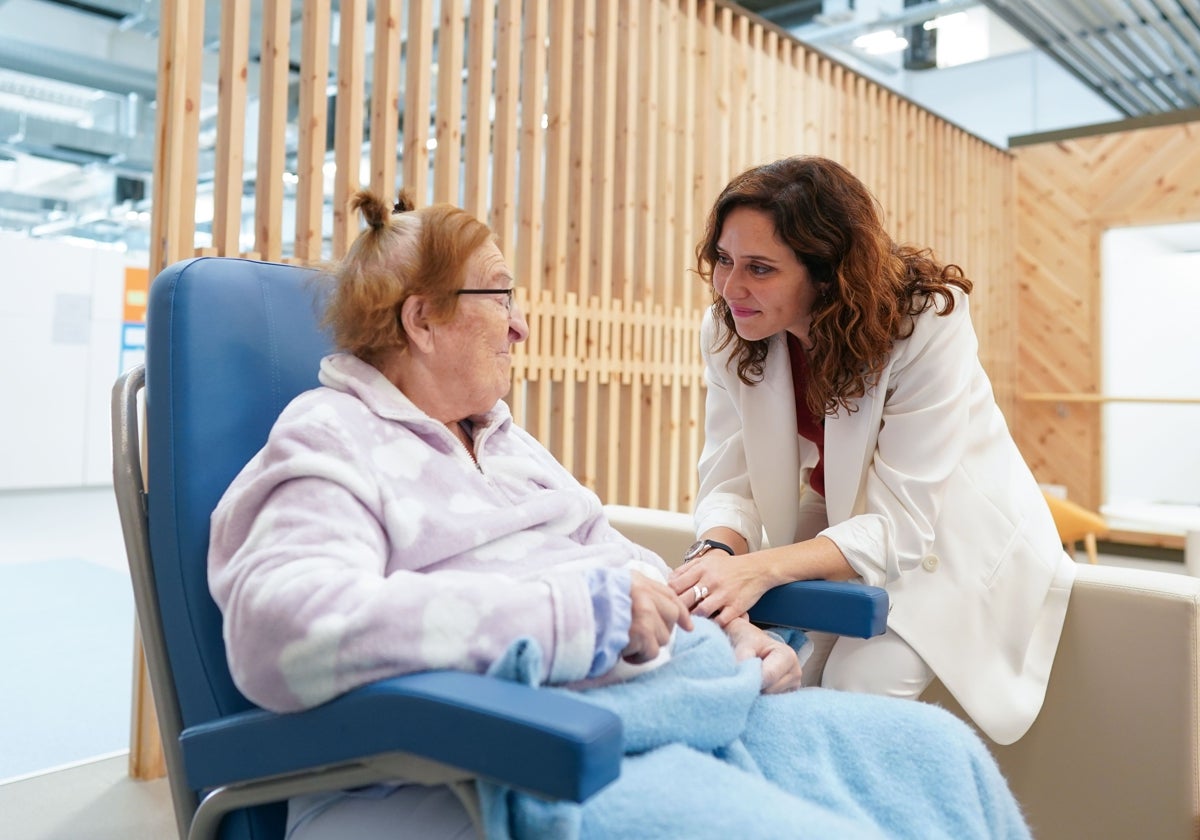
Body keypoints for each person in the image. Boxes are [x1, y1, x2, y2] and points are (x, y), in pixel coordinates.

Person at [208, 189, 1031, 839]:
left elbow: (613, 557)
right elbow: (285, 629)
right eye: (499, 296)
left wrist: (732, 633)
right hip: (497, 756)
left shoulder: (504, 443)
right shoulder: (331, 437)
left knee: (934, 758)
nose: (521, 326)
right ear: (422, 320)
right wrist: (576, 612)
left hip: (659, 709)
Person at [669, 155, 1077, 747]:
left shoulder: (925, 324)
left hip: (949, 537)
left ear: (826, 273)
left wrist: (754, 569)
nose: (732, 288)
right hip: (849, 515)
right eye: (724, 261)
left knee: (853, 686)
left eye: (760, 268)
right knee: (778, 677)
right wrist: (713, 557)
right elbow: (731, 481)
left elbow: (905, 527)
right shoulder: (730, 327)